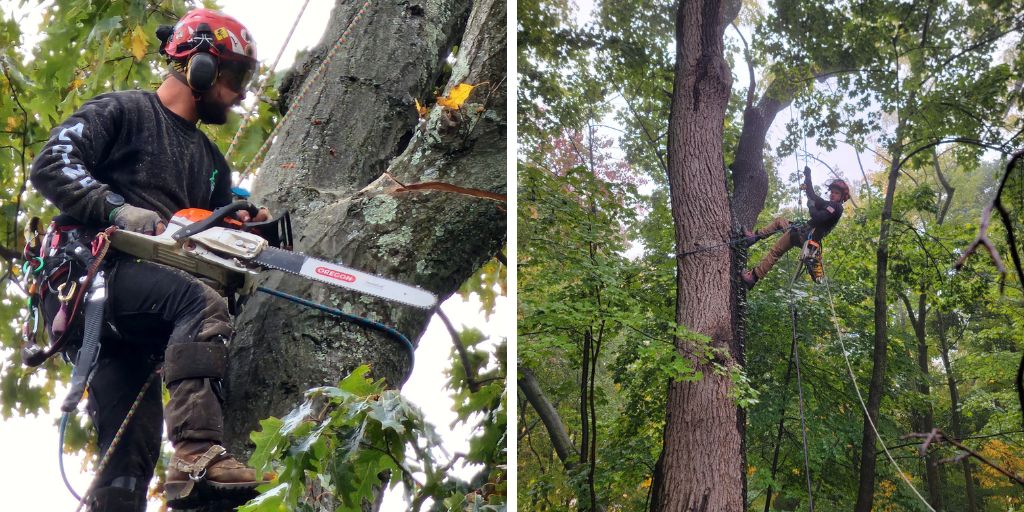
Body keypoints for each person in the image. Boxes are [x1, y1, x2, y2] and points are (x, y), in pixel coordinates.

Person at [30, 9, 271, 511]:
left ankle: (184, 489)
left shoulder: (212, 165)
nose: (241, 93)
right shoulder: (121, 111)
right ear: (201, 67)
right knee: (201, 304)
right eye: (235, 77)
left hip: (148, 320)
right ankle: (198, 453)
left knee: (129, 454)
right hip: (96, 276)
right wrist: (117, 209)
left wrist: (239, 225)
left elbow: (207, 231)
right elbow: (53, 163)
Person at [741, 167, 850, 288]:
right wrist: (808, 176)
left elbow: (818, 217)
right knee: (780, 222)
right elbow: (812, 195)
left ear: (841, 196)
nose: (833, 195)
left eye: (836, 193)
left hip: (802, 235)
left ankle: (753, 277)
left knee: (775, 251)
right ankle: (753, 238)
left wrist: (811, 207)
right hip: (802, 232)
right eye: (832, 192)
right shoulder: (828, 204)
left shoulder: (836, 208)